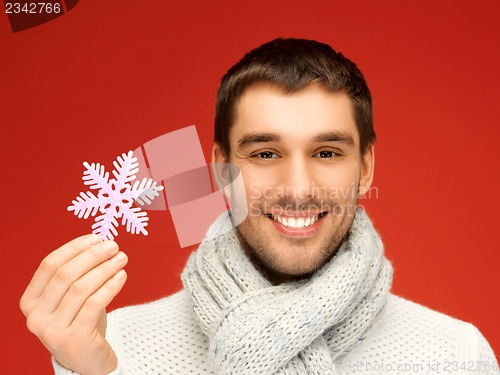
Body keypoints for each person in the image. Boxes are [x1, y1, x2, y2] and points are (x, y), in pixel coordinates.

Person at [21, 38, 498, 375]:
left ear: (366, 168)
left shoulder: (456, 356)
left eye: (327, 153)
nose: (297, 188)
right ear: (220, 168)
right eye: (265, 154)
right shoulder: (114, 349)